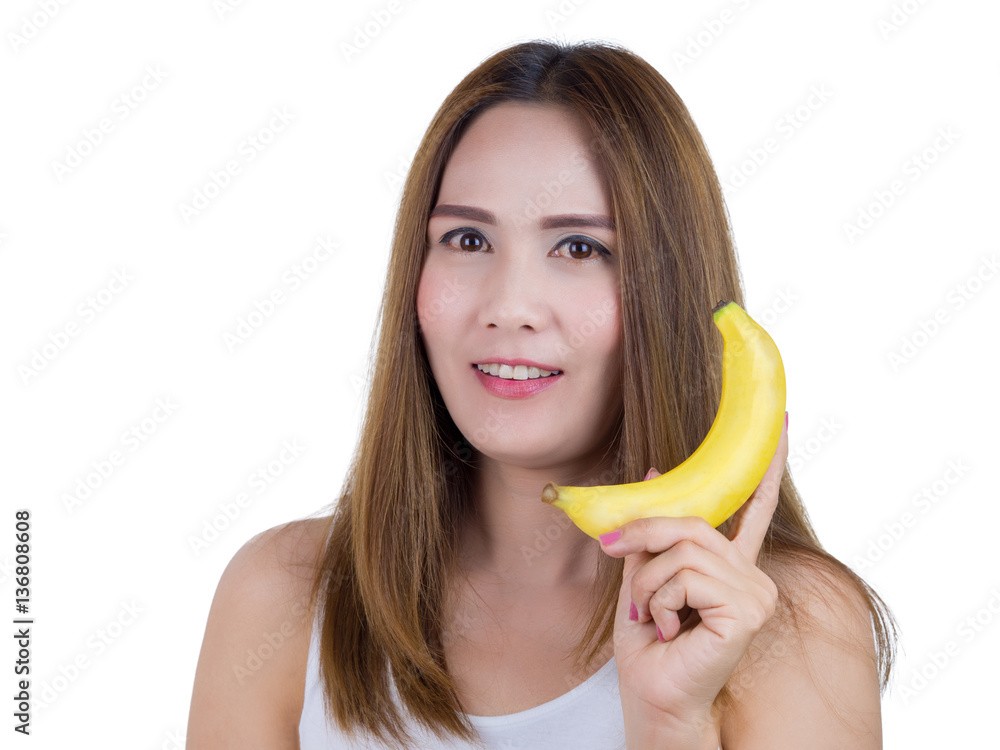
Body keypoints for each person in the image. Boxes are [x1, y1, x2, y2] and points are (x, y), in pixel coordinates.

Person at [186, 39, 897, 749]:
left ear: (668, 289)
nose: (510, 305)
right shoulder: (281, 597)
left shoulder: (790, 627)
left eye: (579, 249)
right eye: (467, 239)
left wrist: (671, 725)